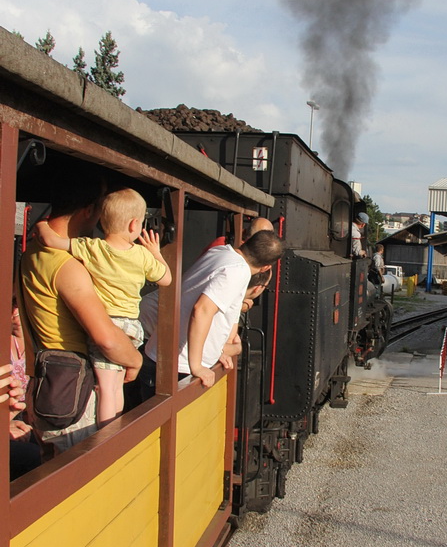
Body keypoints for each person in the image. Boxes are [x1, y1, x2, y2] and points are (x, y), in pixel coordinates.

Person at [19, 168, 143, 456]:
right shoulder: (68, 266)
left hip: (45, 386)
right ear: (89, 210)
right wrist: (134, 360)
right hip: (76, 393)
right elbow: (106, 339)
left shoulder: (33, 253)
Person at [36, 188, 171, 426]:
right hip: (131, 325)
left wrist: (41, 224)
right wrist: (156, 253)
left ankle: (107, 433)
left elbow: (50, 240)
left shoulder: (92, 247)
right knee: (117, 385)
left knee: (107, 388)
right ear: (134, 225)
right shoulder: (141, 255)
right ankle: (115, 427)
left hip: (108, 323)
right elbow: (166, 279)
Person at [144, 230, 284, 391]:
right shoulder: (238, 271)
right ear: (265, 267)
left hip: (164, 353)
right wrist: (197, 366)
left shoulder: (219, 252)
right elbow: (202, 310)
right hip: (180, 366)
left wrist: (219, 349)